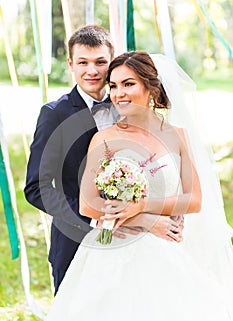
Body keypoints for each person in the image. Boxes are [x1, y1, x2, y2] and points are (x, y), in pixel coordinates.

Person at [35, 51, 233, 321]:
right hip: (110, 248)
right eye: (113, 86)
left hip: (165, 251)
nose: (117, 94)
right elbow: (89, 204)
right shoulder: (105, 139)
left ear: (151, 88)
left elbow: (193, 199)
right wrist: (142, 219)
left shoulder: (177, 136)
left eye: (128, 84)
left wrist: (144, 206)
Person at [24, 26, 183, 294]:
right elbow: (36, 187)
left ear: (112, 62)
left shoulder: (129, 104)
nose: (92, 71)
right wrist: (96, 218)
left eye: (100, 62)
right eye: (83, 62)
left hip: (138, 241)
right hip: (77, 238)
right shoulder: (55, 114)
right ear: (71, 65)